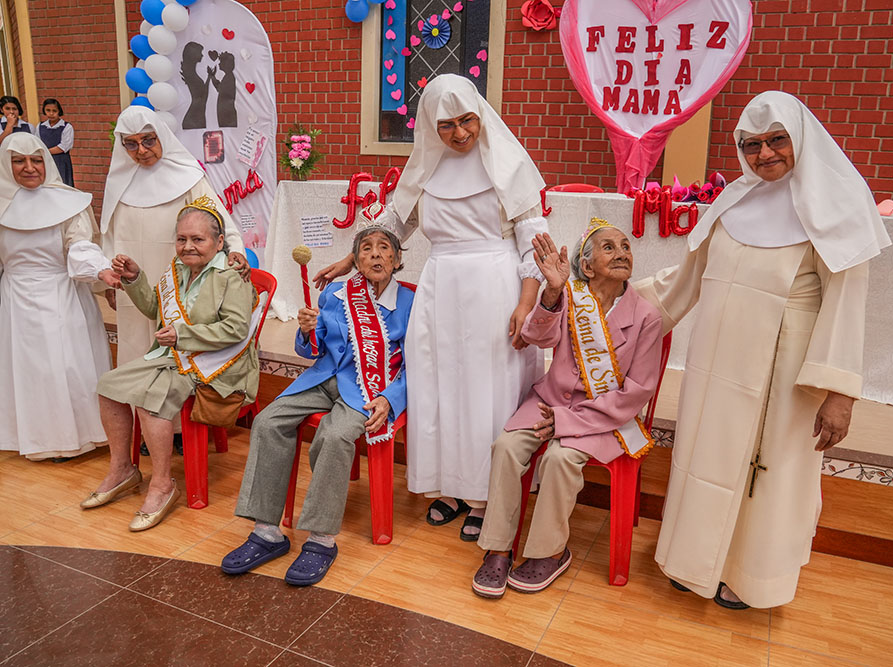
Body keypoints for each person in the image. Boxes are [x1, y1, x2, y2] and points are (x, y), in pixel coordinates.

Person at [636, 91, 891, 609]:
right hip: (715, 361)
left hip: (784, 366)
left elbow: (847, 305)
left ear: (799, 138)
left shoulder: (835, 208)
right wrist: (604, 303)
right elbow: (684, 280)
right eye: (751, 145)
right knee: (704, 459)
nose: (764, 154)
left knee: (766, 471)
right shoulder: (734, 200)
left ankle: (751, 577)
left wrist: (839, 394)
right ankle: (693, 560)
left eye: (777, 141)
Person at [314, 74, 548, 540]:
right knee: (439, 385)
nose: (460, 134)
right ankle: (450, 485)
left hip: (494, 287)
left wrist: (526, 302)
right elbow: (393, 227)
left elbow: (531, 245)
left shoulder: (508, 165)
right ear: (429, 126)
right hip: (441, 290)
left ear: (480, 116)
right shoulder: (423, 171)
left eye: (467, 122)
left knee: (487, 390)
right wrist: (347, 259)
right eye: (447, 126)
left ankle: (486, 493)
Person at [224, 205, 414, 586]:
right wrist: (307, 331)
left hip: (368, 390)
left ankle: (321, 539)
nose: (375, 254)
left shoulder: (412, 302)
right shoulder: (338, 295)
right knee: (267, 421)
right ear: (355, 259)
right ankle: (267, 532)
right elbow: (311, 352)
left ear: (396, 258)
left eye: (383, 248)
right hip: (325, 378)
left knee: (334, 434)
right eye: (366, 248)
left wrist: (392, 399)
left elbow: (419, 365)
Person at [472, 221, 662, 598]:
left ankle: (549, 553)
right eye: (608, 247)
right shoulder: (569, 296)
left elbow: (636, 393)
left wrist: (566, 422)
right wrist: (552, 293)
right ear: (587, 266)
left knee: (559, 460)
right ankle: (498, 548)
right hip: (549, 401)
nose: (622, 252)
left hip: (604, 416)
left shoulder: (646, 317)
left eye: (625, 246)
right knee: (506, 448)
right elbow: (534, 337)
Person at [81, 198, 260, 531]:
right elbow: (155, 310)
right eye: (182, 239)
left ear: (219, 242)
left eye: (198, 239)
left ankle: (163, 484)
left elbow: (235, 330)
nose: (188, 246)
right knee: (108, 386)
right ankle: (123, 469)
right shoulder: (177, 269)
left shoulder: (231, 276)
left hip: (217, 363)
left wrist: (182, 335)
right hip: (172, 358)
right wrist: (135, 279)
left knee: (152, 401)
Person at [100, 105, 248, 367]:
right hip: (132, 283)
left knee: (173, 349)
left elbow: (218, 221)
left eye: (148, 140)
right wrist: (107, 280)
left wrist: (234, 250)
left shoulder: (188, 176)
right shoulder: (118, 182)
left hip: (178, 279)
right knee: (135, 349)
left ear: (161, 136)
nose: (142, 150)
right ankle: (138, 404)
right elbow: (109, 236)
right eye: (131, 145)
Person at [0, 133, 117, 461]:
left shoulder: (68, 203)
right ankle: (37, 439)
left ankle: (82, 436)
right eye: (19, 161)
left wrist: (100, 270)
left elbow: (79, 247)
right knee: (30, 371)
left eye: (36, 160)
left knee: (67, 367)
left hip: (61, 293)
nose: (29, 168)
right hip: (15, 301)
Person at [35, 98, 74, 186]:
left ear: (59, 111)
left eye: (54, 111)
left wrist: (45, 152)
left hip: (61, 161)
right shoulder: (40, 127)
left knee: (63, 184)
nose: (51, 113)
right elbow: (37, 142)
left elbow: (64, 146)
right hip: (45, 161)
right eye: (48, 110)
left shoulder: (66, 127)